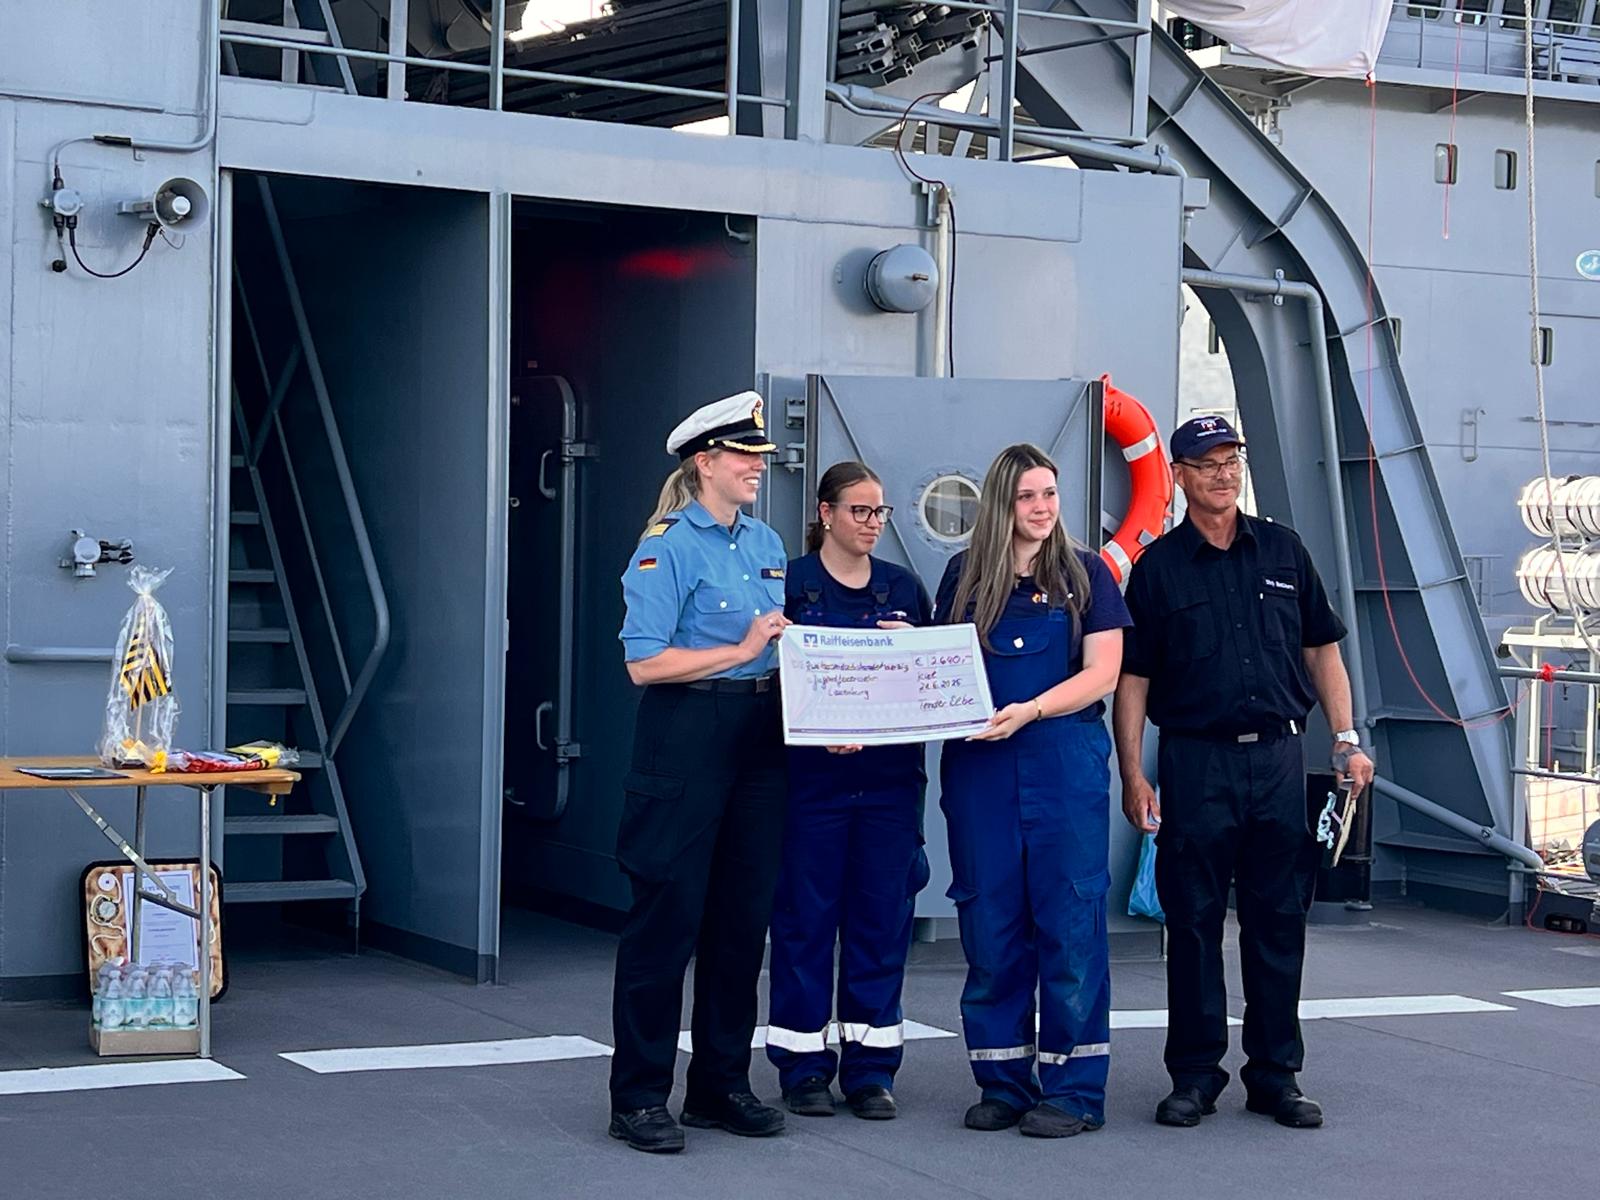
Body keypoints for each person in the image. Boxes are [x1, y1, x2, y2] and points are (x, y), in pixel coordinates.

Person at [1112, 415, 1375, 1132]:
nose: (1224, 473)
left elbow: (1323, 651)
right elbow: (1133, 680)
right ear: (1182, 476)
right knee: (1193, 923)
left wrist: (1346, 739)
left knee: (1277, 920)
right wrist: (1135, 775)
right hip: (1197, 761)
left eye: (1233, 459)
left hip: (1280, 759)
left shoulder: (1285, 552)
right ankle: (1195, 1075)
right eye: (1208, 463)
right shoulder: (1159, 569)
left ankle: (1275, 1075)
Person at [607, 390, 792, 1154]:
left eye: (758, 458)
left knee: (742, 920)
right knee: (667, 918)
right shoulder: (666, 545)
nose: (756, 468)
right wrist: (739, 651)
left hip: (761, 730)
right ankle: (639, 1096)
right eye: (744, 457)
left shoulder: (766, 542)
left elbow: (781, 645)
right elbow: (644, 664)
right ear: (704, 462)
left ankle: (720, 1084)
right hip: (687, 729)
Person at [935, 443, 1131, 1139]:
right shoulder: (963, 577)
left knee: (1071, 922)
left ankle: (1075, 1091)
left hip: (1062, 758)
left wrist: (1031, 710)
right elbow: (939, 669)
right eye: (1027, 497)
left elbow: (1103, 671)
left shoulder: (1087, 575)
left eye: (1049, 494)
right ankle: (1002, 1080)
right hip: (980, 770)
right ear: (1000, 503)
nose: (1042, 508)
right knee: (990, 920)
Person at [765, 461, 934, 1122]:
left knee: (880, 923)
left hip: (889, 787)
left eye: (879, 513)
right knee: (805, 923)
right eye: (859, 511)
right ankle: (803, 1068)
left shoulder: (904, 589)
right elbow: (768, 679)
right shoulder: (791, 583)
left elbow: (933, 685)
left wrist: (917, 647)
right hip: (814, 785)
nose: (871, 524)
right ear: (826, 512)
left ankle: (870, 1068)